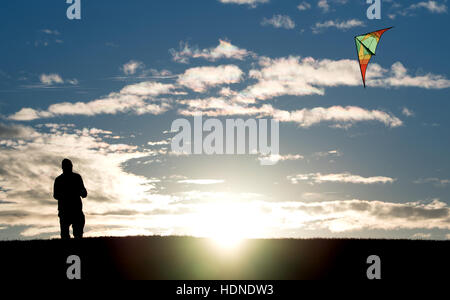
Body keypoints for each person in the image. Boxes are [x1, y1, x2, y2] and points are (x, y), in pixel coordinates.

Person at [53, 159, 87, 239]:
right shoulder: (59, 180)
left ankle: (76, 250)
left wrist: (82, 192)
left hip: (76, 210)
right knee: (65, 235)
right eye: (67, 166)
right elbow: (55, 195)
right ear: (63, 167)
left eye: (70, 166)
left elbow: (84, 192)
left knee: (78, 234)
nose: (69, 168)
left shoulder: (77, 177)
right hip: (65, 211)